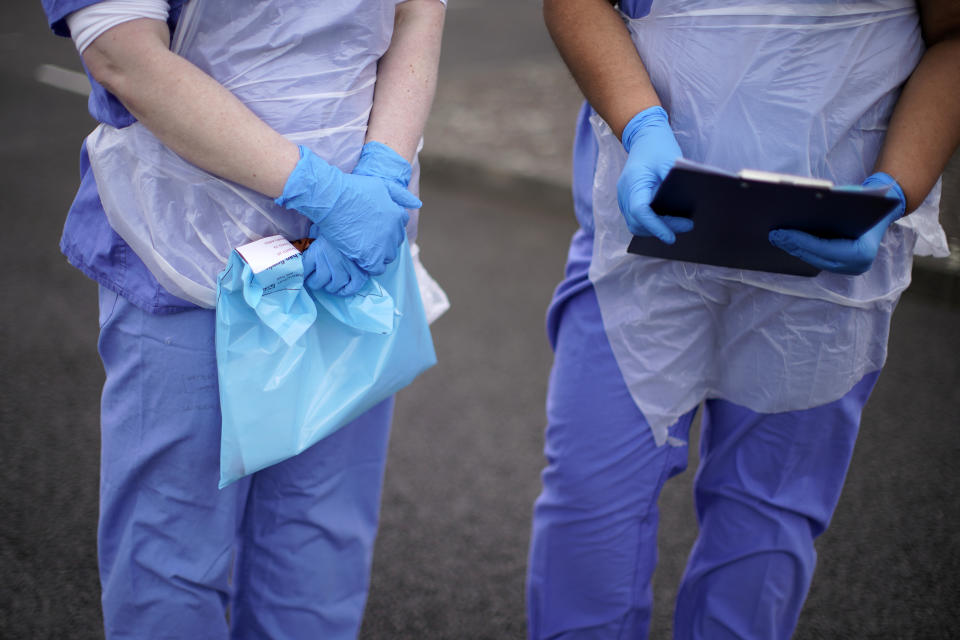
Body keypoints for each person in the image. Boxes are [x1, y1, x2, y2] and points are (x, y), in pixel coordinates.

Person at [527, 0, 960, 638]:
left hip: (826, 267)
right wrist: (642, 123)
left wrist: (899, 186)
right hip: (647, 235)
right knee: (591, 507)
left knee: (765, 527)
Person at [41, 0, 446, 637]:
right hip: (187, 251)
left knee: (318, 550)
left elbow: (418, 10)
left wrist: (381, 174)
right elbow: (123, 52)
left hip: (359, 242)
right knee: (172, 555)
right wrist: (326, 192)